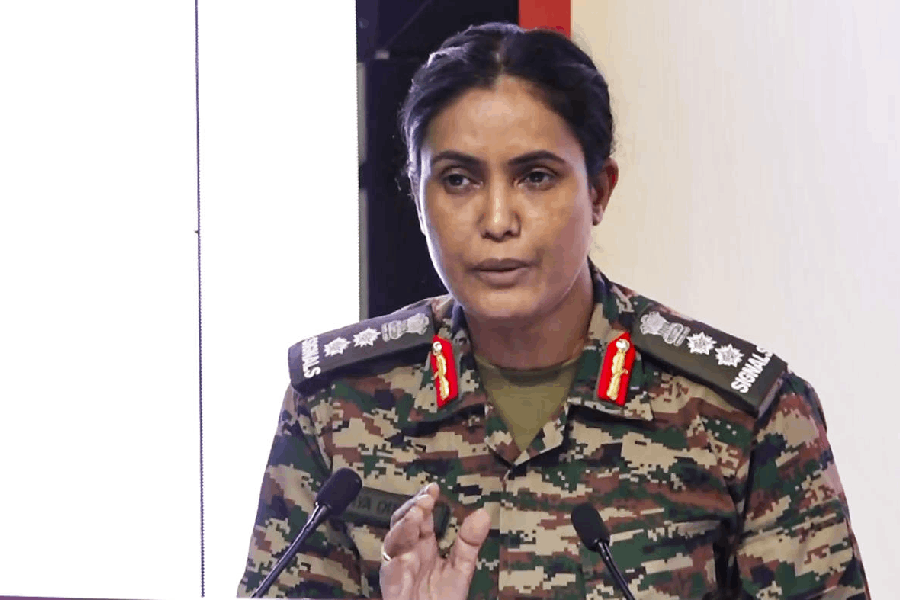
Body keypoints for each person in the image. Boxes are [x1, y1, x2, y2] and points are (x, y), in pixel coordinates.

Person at [237, 22, 869, 599]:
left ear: (599, 191)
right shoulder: (334, 403)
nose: (496, 220)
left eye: (535, 177)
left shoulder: (745, 416)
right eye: (458, 179)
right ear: (415, 191)